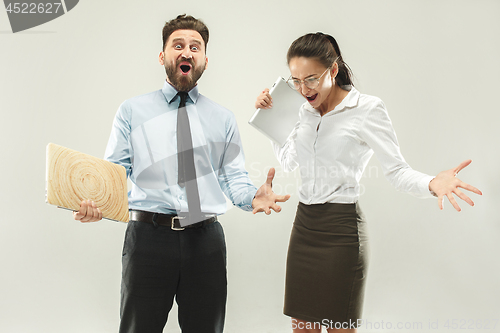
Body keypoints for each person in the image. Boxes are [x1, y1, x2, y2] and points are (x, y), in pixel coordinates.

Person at [73, 14, 290, 333]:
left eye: (195, 46)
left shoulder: (223, 119)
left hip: (205, 242)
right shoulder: (132, 111)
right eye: (178, 45)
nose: (186, 52)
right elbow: (115, 174)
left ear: (204, 60)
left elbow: (234, 179)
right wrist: (97, 204)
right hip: (147, 239)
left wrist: (252, 196)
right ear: (163, 56)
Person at [255, 32, 482, 333]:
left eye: (310, 79)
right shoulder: (304, 111)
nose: (302, 89)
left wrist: (431, 183)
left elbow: (398, 171)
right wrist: (270, 119)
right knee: (302, 329)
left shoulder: (367, 109)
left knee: (339, 328)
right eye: (295, 81)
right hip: (304, 227)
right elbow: (289, 161)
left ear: (333, 70)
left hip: (341, 231)